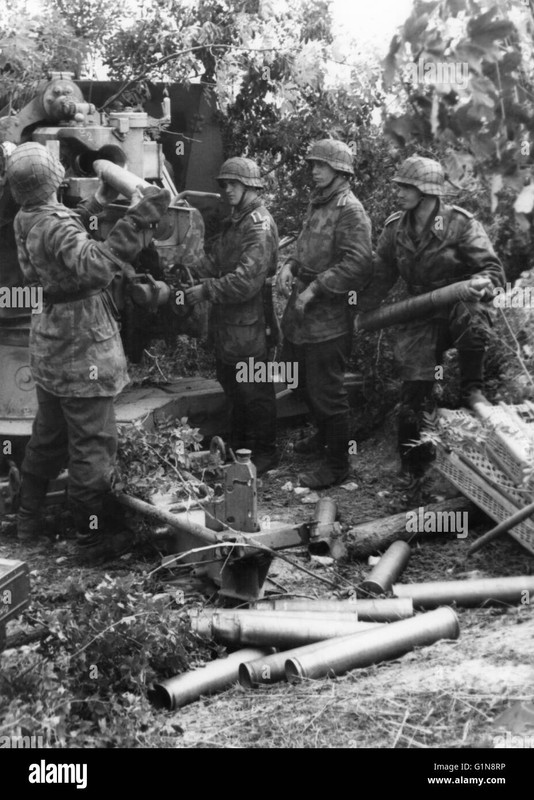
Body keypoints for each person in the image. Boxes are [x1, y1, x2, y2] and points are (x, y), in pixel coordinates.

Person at [6, 141, 171, 561]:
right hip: (82, 344)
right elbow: (95, 264)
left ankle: (28, 519)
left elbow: (65, 228)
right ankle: (90, 539)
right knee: (93, 447)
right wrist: (138, 218)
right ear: (52, 180)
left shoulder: (27, 215)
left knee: (49, 436)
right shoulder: (52, 224)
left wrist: (99, 200)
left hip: (50, 340)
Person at [359, 154, 506, 481]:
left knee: (474, 311)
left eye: (406, 187)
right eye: (399, 186)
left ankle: (472, 387)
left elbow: (492, 269)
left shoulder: (459, 223)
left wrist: (483, 285)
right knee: (413, 390)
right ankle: (415, 469)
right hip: (420, 309)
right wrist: (361, 310)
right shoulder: (396, 228)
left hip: (458, 302)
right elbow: (381, 274)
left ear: (426, 191)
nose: (399, 192)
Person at [277, 139, 373, 489]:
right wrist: (288, 265)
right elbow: (306, 246)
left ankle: (337, 464)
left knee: (327, 393)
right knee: (300, 382)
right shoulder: (319, 203)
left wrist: (315, 289)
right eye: (313, 164)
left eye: (322, 165)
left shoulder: (350, 210)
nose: (314, 170)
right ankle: (322, 436)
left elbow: (358, 264)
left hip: (329, 319)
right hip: (302, 315)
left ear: (341, 171)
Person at [184, 157, 279, 475]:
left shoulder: (258, 225)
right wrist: (189, 270)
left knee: (254, 390)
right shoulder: (237, 220)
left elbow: (246, 281)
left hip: (249, 325)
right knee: (234, 386)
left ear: (251, 186)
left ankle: (265, 453)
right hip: (229, 326)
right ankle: (242, 449)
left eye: (233, 184)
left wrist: (205, 290)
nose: (227, 189)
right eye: (224, 184)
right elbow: (217, 261)